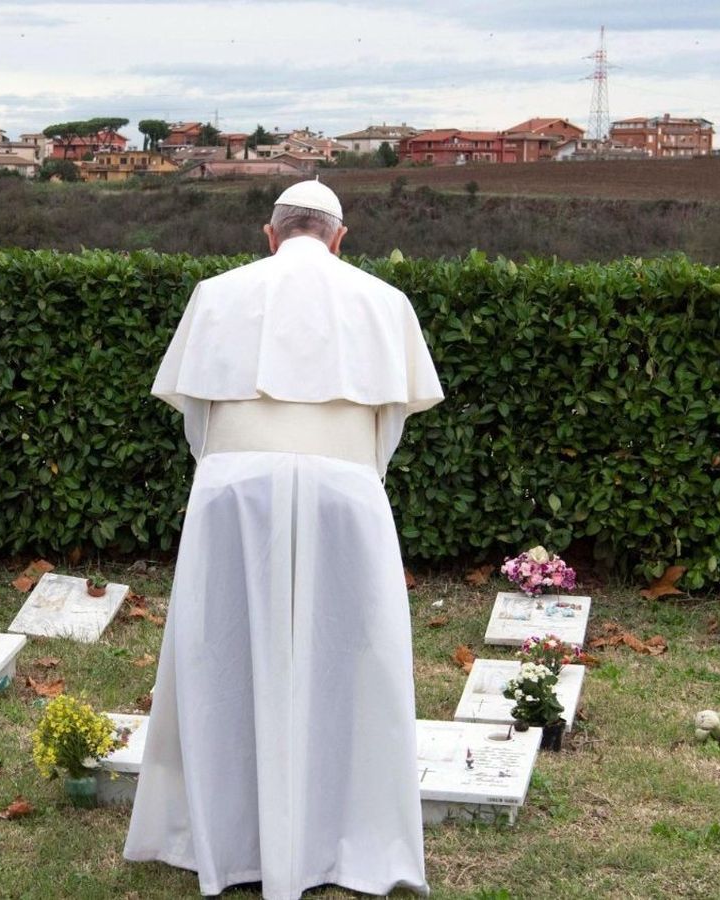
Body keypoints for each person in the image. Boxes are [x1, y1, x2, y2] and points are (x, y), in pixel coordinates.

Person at [124, 180, 444, 899]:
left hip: (232, 490)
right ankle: (345, 839)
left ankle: (223, 839)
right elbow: (387, 430)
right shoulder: (385, 302)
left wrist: (237, 472)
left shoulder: (216, 293)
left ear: (269, 235)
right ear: (340, 237)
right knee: (351, 657)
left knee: (221, 652)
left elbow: (197, 424)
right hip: (347, 489)